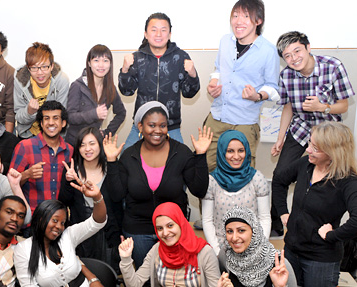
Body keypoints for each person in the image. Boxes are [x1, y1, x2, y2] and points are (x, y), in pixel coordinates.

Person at [104, 101, 211, 287]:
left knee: (176, 282)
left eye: (163, 125)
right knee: (147, 286)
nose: (158, 130)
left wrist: (200, 155)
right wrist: (112, 161)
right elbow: (116, 195)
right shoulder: (129, 156)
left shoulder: (181, 154)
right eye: (151, 125)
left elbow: (199, 190)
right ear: (140, 127)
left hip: (175, 231)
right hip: (139, 230)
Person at [269, 31, 355, 236]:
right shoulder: (286, 75)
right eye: (287, 56)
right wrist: (280, 138)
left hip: (329, 133)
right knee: (280, 174)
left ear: (308, 48)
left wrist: (321, 107)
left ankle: (328, 226)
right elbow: (288, 107)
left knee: (335, 177)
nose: (293, 58)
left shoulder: (333, 67)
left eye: (297, 51)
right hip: (300, 130)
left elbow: (343, 106)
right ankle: (277, 222)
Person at [272, 121, 357, 287]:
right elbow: (279, 181)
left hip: (321, 260)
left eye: (315, 148)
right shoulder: (305, 165)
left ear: (333, 151)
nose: (308, 149)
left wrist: (331, 235)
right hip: (292, 251)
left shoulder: (348, 181)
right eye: (310, 143)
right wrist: (283, 213)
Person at [14, 177, 115, 287]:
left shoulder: (67, 235)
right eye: (54, 220)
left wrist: (97, 197)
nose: (59, 227)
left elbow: (97, 222)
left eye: (62, 223)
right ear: (41, 218)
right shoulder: (23, 249)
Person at [119, 202, 231, 287]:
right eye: (160, 228)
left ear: (180, 224)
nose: (165, 233)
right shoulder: (156, 250)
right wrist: (126, 259)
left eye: (170, 225)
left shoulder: (204, 253)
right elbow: (133, 285)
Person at [204, 0, 279, 173]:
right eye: (235, 15)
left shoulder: (268, 50)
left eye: (246, 16)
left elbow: (273, 88)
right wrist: (213, 84)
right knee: (207, 168)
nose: (239, 21)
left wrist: (258, 96)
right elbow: (218, 69)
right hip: (217, 116)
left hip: (244, 121)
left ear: (258, 21)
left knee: (242, 173)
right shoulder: (225, 41)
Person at [119, 12, 200, 148]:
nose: (158, 34)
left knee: (180, 164)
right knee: (125, 161)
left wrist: (192, 74)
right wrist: (125, 70)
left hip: (170, 126)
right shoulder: (137, 58)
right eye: (154, 30)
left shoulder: (181, 57)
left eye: (163, 30)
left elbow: (189, 93)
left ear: (169, 35)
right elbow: (127, 92)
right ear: (146, 34)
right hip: (142, 126)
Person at [220, 206, 300, 287]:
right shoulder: (226, 257)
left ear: (254, 231)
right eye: (229, 231)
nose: (234, 238)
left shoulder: (279, 264)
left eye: (241, 230)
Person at [59, 127, 124, 271]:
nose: (87, 149)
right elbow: (64, 201)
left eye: (92, 143)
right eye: (82, 145)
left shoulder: (111, 166)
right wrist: (68, 180)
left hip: (107, 233)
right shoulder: (72, 168)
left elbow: (118, 196)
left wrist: (112, 161)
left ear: (100, 145)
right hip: (81, 234)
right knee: (81, 276)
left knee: (106, 277)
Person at [202, 130, 270, 255]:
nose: (237, 156)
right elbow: (207, 220)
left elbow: (264, 218)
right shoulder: (211, 181)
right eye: (230, 151)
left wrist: (258, 250)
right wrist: (218, 252)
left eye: (241, 150)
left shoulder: (257, 179)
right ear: (222, 152)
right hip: (221, 249)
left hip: (252, 250)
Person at [10, 100, 73, 215]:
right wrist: (27, 174)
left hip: (58, 220)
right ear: (41, 123)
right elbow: (9, 186)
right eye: (46, 118)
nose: (51, 123)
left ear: (63, 123)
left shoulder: (69, 150)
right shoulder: (25, 147)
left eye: (55, 118)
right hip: (31, 218)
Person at [65, 44, 126, 145]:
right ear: (89, 63)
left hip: (95, 144)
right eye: (96, 60)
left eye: (105, 61)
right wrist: (94, 114)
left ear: (110, 64)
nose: (101, 65)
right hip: (75, 143)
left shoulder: (110, 88)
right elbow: (70, 117)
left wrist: (106, 133)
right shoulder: (77, 86)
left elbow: (121, 113)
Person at [14, 42, 69, 139]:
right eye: (34, 68)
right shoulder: (20, 81)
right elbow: (18, 116)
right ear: (28, 69)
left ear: (51, 66)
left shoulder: (61, 81)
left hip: (54, 135)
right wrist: (29, 112)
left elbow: (62, 115)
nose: (40, 73)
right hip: (29, 134)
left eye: (44, 67)